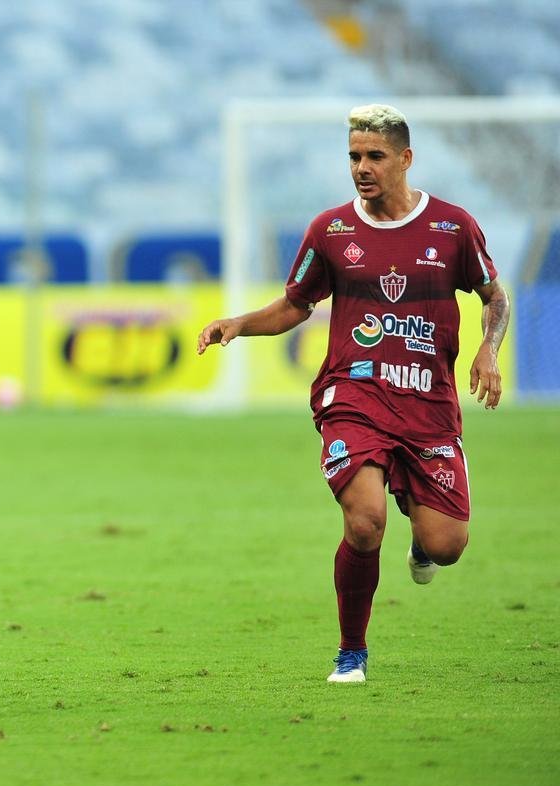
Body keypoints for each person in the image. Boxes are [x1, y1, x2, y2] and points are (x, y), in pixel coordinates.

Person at [196, 105, 510, 684]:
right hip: (353, 395)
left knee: (445, 546)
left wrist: (488, 349)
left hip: (428, 406)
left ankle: (421, 539)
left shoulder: (452, 227)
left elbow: (495, 296)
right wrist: (238, 323)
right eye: (353, 157)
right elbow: (297, 304)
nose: (361, 168)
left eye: (374, 157)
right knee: (364, 522)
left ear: (406, 159)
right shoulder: (331, 231)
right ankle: (351, 652)